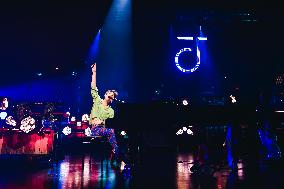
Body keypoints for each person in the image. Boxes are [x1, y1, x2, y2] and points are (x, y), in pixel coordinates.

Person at [89, 63, 126, 168]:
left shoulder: (111, 111)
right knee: (112, 133)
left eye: (112, 96)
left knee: (115, 133)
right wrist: (94, 72)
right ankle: (118, 155)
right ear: (105, 94)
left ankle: (117, 154)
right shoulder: (97, 101)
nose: (110, 96)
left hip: (105, 130)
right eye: (109, 94)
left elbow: (111, 124)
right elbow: (93, 87)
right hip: (94, 129)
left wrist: (102, 122)